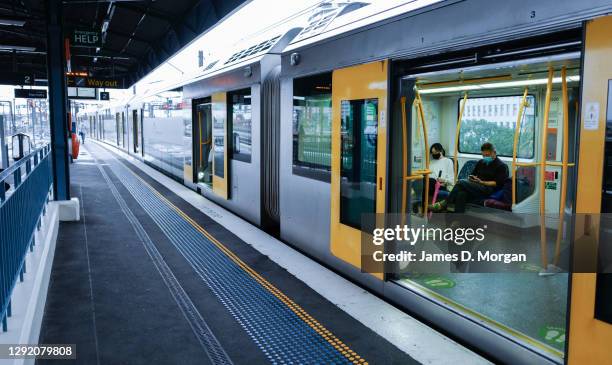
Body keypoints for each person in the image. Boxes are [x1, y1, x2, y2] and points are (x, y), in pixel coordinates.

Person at [430, 142, 508, 213]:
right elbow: (473, 174)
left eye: (487, 155)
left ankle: (444, 203)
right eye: (483, 155)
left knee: (461, 182)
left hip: (488, 189)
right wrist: (472, 178)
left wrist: (482, 182)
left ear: (494, 153)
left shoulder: (501, 166)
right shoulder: (481, 162)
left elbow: (497, 183)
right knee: (461, 194)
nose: (485, 157)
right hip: (477, 186)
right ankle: (458, 220)